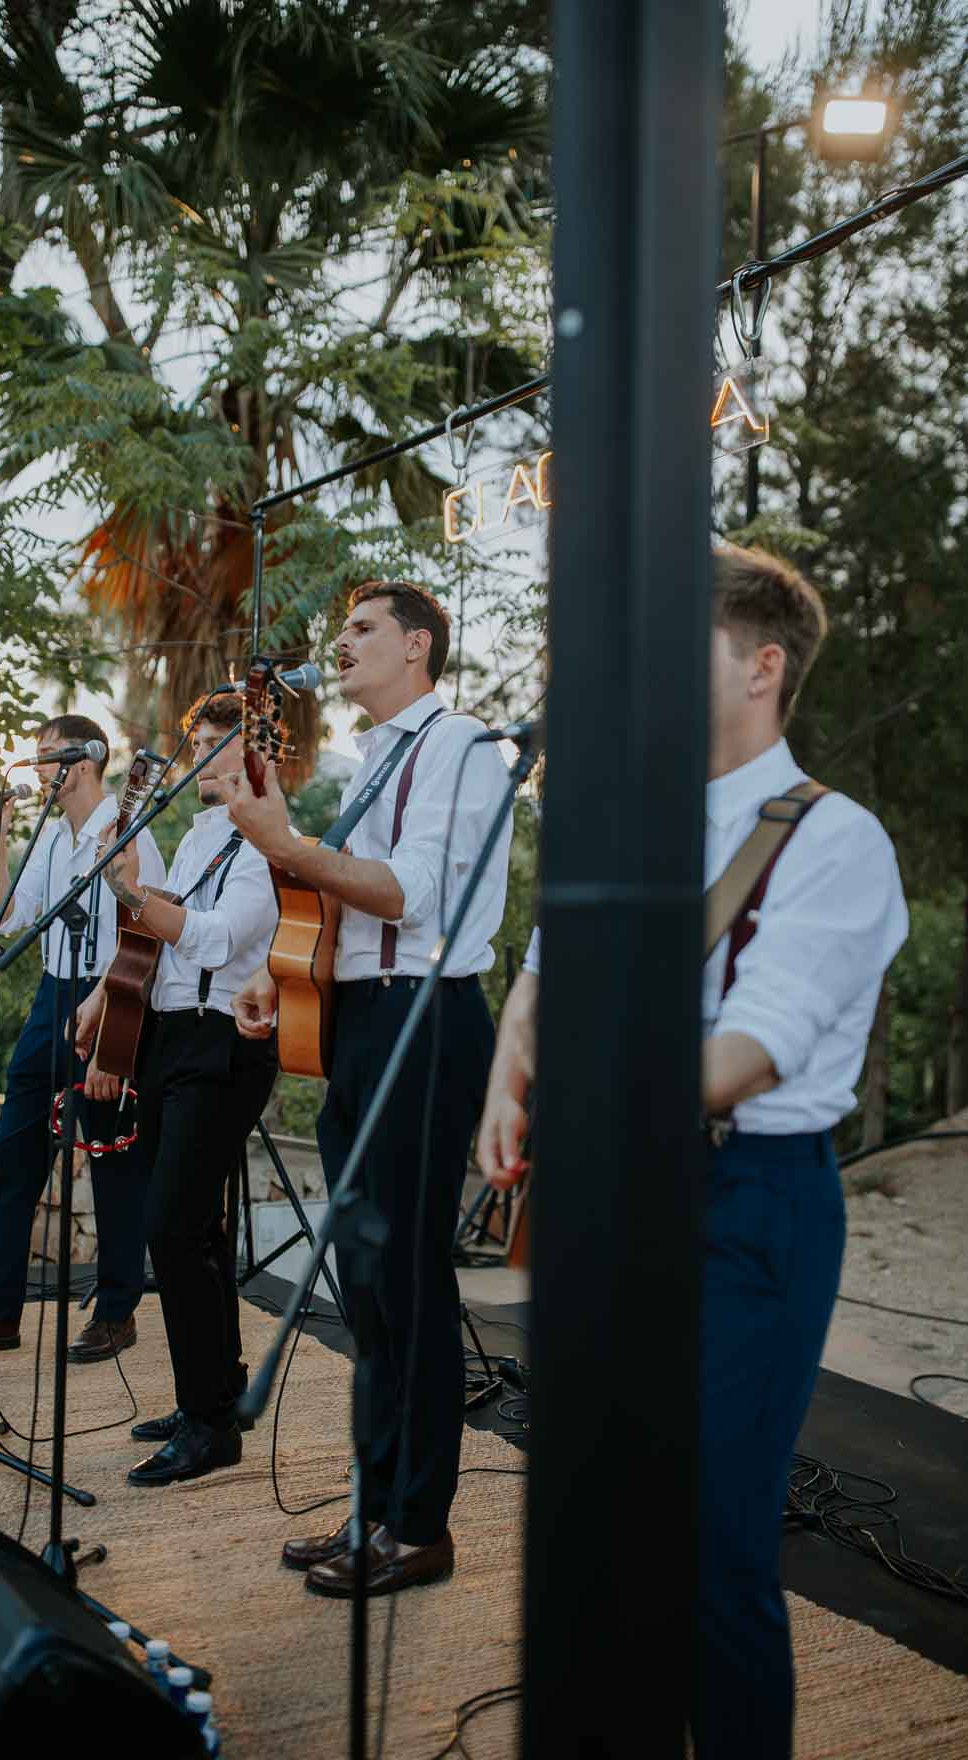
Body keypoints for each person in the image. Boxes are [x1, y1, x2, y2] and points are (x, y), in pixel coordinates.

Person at [478, 546, 908, 1758]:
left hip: (746, 1203)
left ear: (763, 666)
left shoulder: (836, 839)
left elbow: (743, 1055)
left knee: (713, 1547)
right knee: (604, 1529)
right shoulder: (632, 816)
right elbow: (542, 974)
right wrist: (510, 1076)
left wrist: (577, 1091)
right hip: (608, 1195)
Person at [222, 580, 513, 1598]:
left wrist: (287, 845)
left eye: (360, 629)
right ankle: (376, 1503)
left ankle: (421, 1526)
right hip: (360, 1017)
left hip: (424, 1020)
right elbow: (344, 902)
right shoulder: (376, 757)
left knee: (409, 1282)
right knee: (363, 1282)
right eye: (338, 628)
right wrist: (282, 968)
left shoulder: (460, 746)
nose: (337, 643)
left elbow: (411, 892)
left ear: (418, 646)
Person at [78, 692, 279, 1485]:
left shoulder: (264, 837)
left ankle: (207, 1425)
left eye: (209, 743)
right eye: (191, 740)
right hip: (168, 1035)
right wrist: (105, 992)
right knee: (196, 1234)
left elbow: (218, 937)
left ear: (247, 751)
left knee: (171, 1223)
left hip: (222, 1040)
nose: (194, 754)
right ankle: (214, 1395)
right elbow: (158, 934)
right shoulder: (197, 834)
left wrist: (131, 894)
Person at [0, 716, 166, 1365]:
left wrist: (113, 1024)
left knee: (113, 1164)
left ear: (81, 763)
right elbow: (8, 918)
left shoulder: (127, 826)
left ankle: (116, 1312)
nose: (35, 771)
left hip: (109, 993)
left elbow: (144, 936)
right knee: (10, 1160)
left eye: (45, 758)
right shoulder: (53, 836)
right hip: (50, 996)